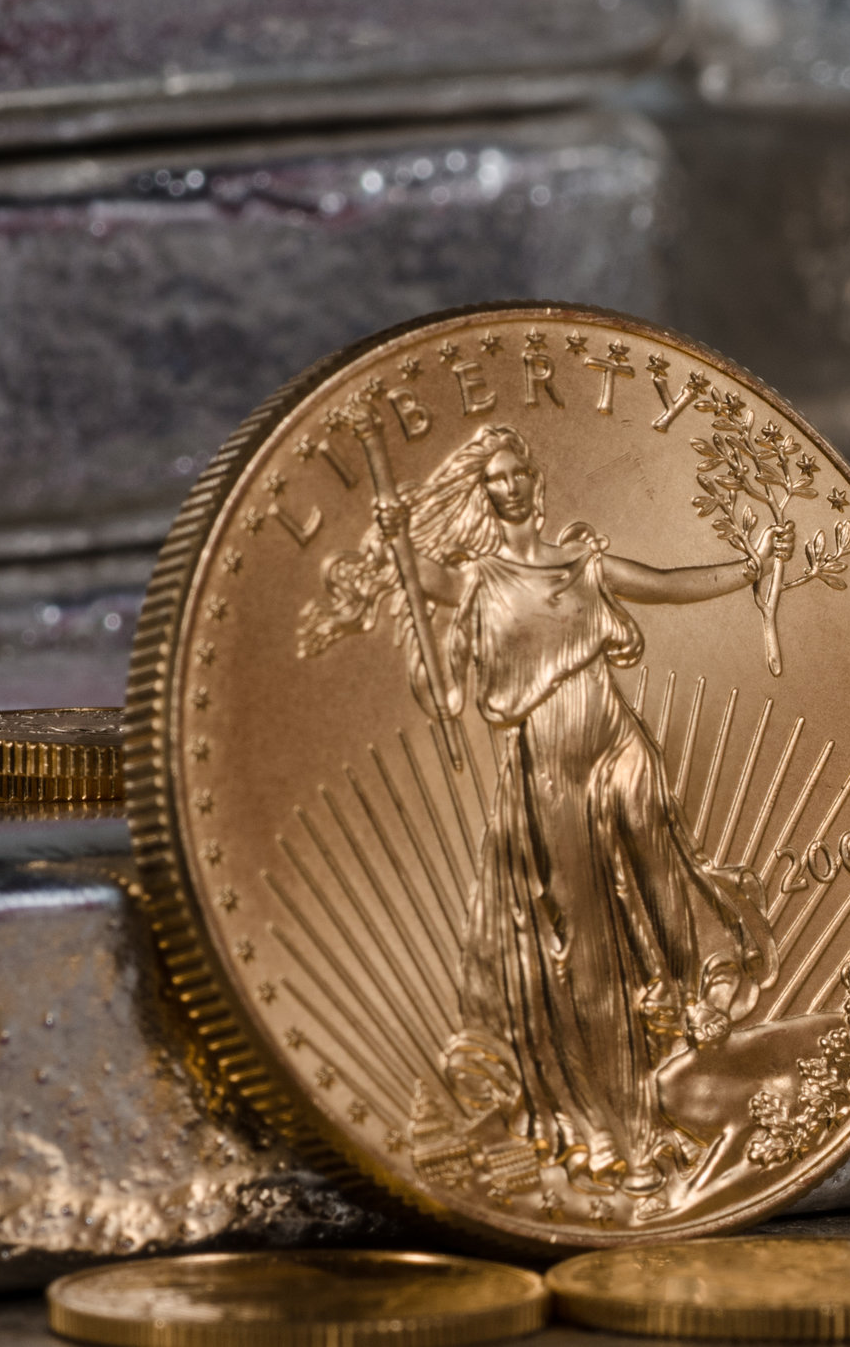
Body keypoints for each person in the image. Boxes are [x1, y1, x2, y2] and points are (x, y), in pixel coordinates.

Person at [301, 424, 791, 1193]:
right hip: (546, 762)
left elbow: (667, 582)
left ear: (535, 478)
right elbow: (419, 582)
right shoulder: (477, 580)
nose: (507, 486)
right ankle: (616, 1117)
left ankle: (703, 992)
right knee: (582, 935)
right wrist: (390, 536)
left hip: (613, 733)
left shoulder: (583, 563)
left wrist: (752, 568)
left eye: (515, 472)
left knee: (659, 853)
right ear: (484, 493)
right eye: (493, 479)